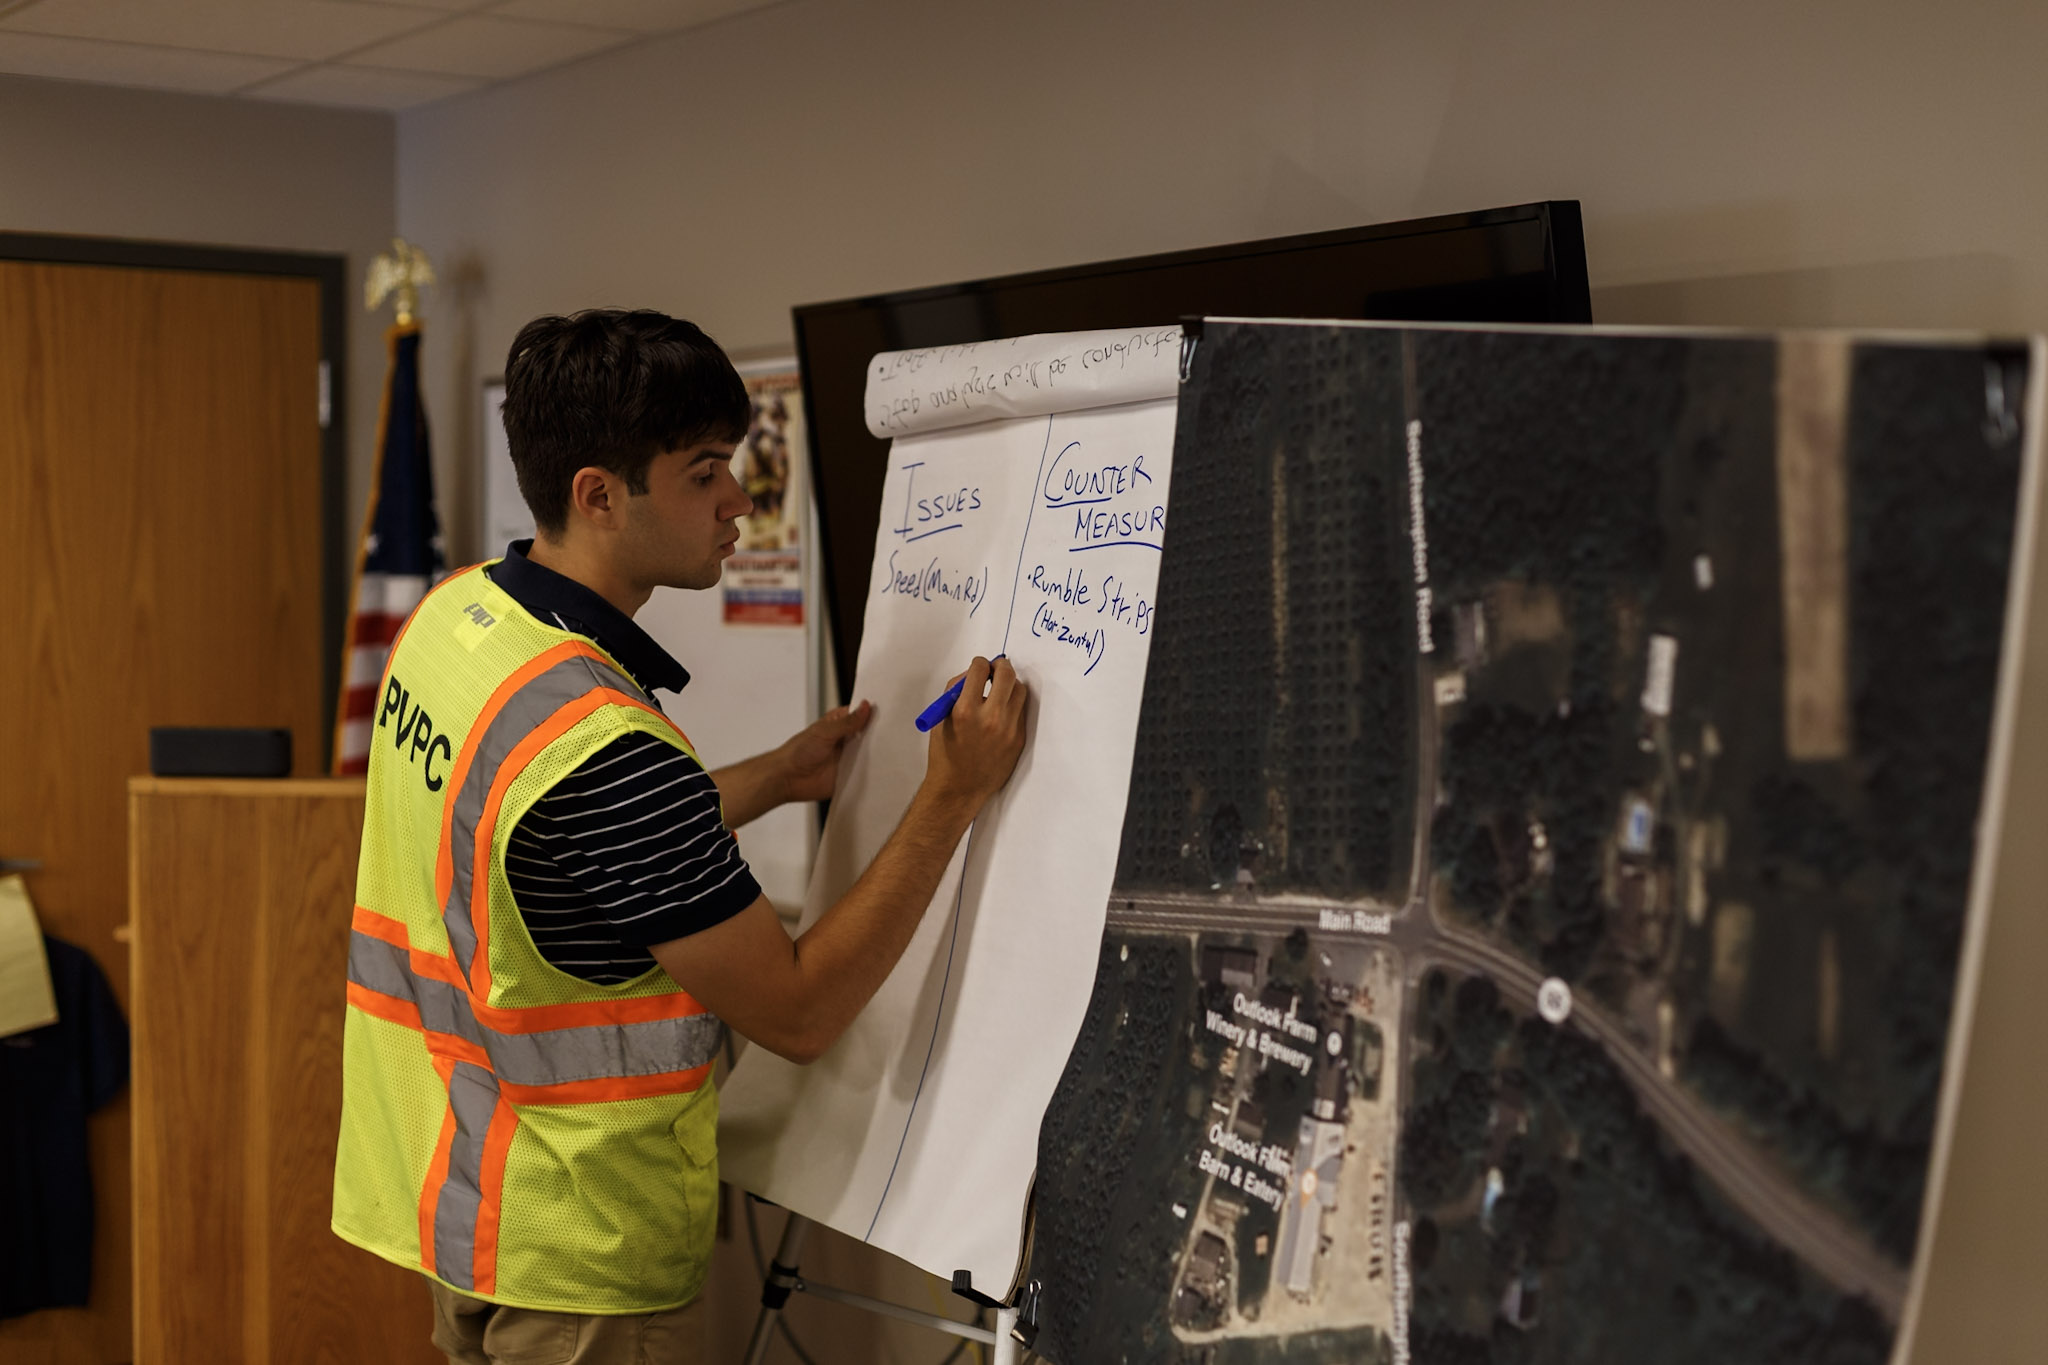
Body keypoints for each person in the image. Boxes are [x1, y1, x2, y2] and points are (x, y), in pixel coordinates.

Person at [331, 309, 1028, 1364]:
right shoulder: (609, 756)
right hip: (580, 1255)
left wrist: (770, 780)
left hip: (460, 1204)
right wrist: (950, 797)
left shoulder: (459, 619)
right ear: (598, 495)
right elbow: (795, 1010)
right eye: (704, 472)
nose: (736, 502)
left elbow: (543, 841)